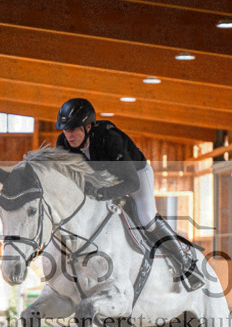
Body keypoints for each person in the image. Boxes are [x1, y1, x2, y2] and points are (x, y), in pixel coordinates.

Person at [54, 98, 203, 291]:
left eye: (73, 129)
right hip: (103, 179)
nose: (69, 135)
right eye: (65, 130)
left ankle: (186, 263)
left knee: (147, 219)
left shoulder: (109, 138)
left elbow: (132, 183)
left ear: (88, 127)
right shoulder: (63, 144)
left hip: (136, 174)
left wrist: (103, 194)